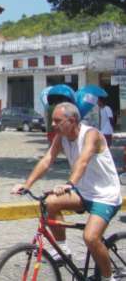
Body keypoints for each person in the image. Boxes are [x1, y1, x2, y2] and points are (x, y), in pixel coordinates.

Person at [12, 102, 122, 281]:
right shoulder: (61, 137)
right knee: (49, 203)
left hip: (105, 196)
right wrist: (27, 184)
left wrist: (70, 184)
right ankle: (62, 248)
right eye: (52, 120)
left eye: (57, 121)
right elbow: (47, 159)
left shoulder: (91, 135)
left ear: (72, 120)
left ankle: (108, 278)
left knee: (91, 238)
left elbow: (83, 161)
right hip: (83, 192)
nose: (53, 124)